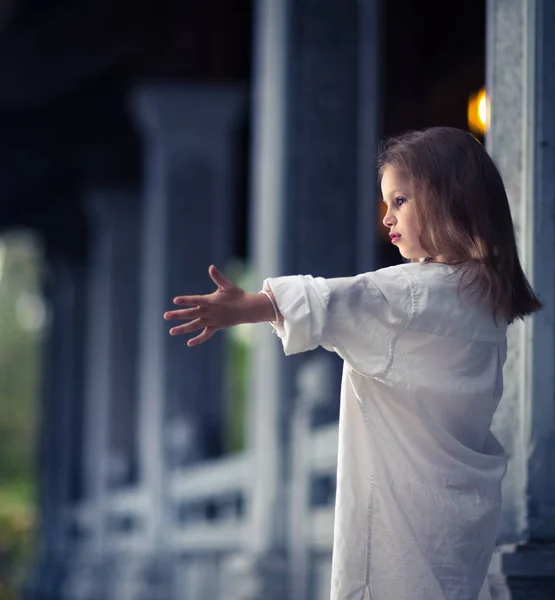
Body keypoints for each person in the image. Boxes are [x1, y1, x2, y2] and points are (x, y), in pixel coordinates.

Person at [163, 127, 542, 600]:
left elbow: (335, 299)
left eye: (400, 200)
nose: (386, 217)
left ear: (448, 197)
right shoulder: (487, 298)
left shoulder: (414, 293)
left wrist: (251, 306)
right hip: (457, 534)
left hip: (400, 535)